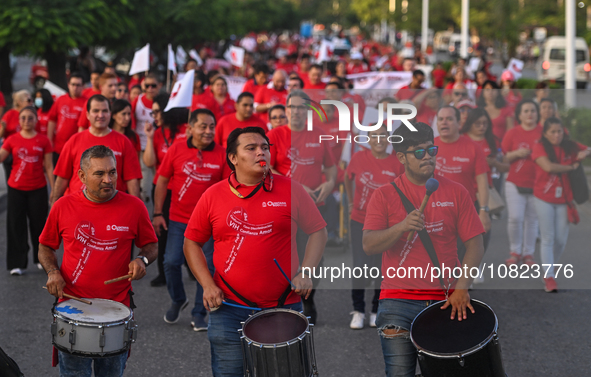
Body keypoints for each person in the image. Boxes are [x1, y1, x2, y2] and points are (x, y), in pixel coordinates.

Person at [184, 126, 327, 376]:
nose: (261, 152)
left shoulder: (292, 189)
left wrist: (306, 271)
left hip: (284, 307)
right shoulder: (213, 195)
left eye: (265, 147)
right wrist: (207, 285)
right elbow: (191, 242)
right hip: (228, 309)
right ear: (233, 158)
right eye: (251, 148)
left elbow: (318, 231)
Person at [362, 122, 485, 377]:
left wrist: (462, 289)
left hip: (446, 299)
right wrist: (400, 227)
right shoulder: (384, 194)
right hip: (398, 302)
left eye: (432, 150)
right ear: (402, 157)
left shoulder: (457, 191)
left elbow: (475, 245)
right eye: (419, 152)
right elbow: (368, 244)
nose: (428, 157)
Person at [39, 145, 158, 377]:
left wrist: (142, 259)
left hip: (117, 311)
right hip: (73, 310)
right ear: (82, 176)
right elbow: (45, 245)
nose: (108, 179)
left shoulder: (134, 206)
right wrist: (52, 272)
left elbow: (151, 244)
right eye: (99, 173)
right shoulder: (63, 206)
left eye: (112, 172)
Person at [154, 108, 231, 330]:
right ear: (190, 129)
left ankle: (199, 313)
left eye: (211, 127)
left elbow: (227, 188)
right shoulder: (176, 149)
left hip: (209, 223)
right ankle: (178, 299)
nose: (208, 131)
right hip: (178, 219)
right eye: (203, 126)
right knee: (170, 261)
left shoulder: (222, 154)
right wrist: (158, 213)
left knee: (206, 267)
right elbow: (161, 181)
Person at [267, 91, 336, 324]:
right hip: (285, 206)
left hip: (316, 204)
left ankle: (308, 296)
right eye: (292, 107)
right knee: (289, 256)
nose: (296, 112)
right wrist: (296, 187)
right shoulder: (275, 135)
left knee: (317, 258)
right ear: (286, 110)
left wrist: (329, 183)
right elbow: (267, 168)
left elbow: (331, 167)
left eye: (301, 108)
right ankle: (289, 301)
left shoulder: (320, 134)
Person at [344, 124, 404, 329]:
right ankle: (358, 310)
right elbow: (347, 178)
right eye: (374, 135)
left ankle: (376, 310)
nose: (379, 139)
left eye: (383, 135)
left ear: (389, 139)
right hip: (359, 220)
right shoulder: (358, 158)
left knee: (382, 267)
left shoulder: (396, 162)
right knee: (360, 266)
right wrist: (351, 202)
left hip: (386, 224)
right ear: (367, 139)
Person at [532, 118, 590, 292]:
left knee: (561, 240)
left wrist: (585, 153)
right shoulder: (539, 147)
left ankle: (550, 266)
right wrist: (572, 166)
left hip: (565, 199)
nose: (557, 135)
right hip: (543, 197)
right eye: (552, 132)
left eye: (559, 131)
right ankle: (549, 276)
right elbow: (548, 167)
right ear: (545, 134)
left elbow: (588, 149)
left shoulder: (570, 145)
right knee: (548, 238)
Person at [51, 95, 142, 205]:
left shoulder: (124, 142)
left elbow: (132, 179)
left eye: (104, 111)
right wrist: (54, 206)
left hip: (112, 206)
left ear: (110, 114)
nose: (100, 115)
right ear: (87, 115)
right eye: (96, 111)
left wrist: (135, 207)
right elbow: (62, 177)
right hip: (77, 206)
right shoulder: (74, 140)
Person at [0, 106, 53, 275]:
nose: (26, 121)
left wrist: (54, 189)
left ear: (36, 120)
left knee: (39, 225)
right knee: (16, 225)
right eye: (23, 118)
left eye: (30, 118)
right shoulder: (12, 139)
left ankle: (41, 259)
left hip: (38, 188)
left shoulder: (44, 140)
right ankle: (17, 263)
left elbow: (49, 166)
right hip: (16, 189)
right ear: (19, 120)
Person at [143, 94, 188, 287]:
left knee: (187, 229)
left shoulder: (186, 130)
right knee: (162, 231)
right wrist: (149, 137)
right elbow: (150, 162)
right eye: (152, 112)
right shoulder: (157, 131)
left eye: (157, 111)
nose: (154, 115)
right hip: (162, 188)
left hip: (184, 188)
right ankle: (164, 272)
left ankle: (193, 267)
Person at [435, 106, 491, 261]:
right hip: (435, 210)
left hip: (464, 209)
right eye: (441, 119)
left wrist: (484, 210)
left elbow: (482, 181)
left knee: (461, 253)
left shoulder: (473, 147)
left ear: (459, 123)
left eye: (449, 119)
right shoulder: (429, 147)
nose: (444, 123)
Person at [461, 108, 510, 250]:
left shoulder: (493, 141)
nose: (482, 127)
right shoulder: (461, 138)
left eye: (485, 123)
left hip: (483, 193)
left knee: (483, 231)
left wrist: (494, 163)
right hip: (463, 191)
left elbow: (506, 167)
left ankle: (476, 266)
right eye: (478, 124)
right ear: (470, 124)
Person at [502, 99, 542, 266]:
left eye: (532, 110)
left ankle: (528, 253)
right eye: (525, 111)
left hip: (538, 182)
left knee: (532, 219)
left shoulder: (543, 132)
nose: (529, 114)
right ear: (519, 115)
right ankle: (515, 251)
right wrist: (517, 153)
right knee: (515, 218)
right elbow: (502, 157)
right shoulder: (512, 132)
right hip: (514, 181)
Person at [132, 73, 162, 202]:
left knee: (159, 183)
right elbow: (131, 124)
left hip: (160, 148)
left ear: (160, 86)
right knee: (145, 185)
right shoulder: (137, 101)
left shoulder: (164, 102)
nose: (150, 88)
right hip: (142, 148)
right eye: (147, 85)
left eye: (153, 85)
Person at [47, 73, 87, 164]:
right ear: (68, 85)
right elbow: (52, 119)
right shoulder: (60, 99)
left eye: (78, 85)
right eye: (73, 84)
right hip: (58, 147)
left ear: (83, 86)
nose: (75, 87)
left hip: (75, 148)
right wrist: (49, 140)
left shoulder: (86, 102)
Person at [1, 90, 33, 182]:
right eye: (29, 100)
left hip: (26, 151)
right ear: (19, 102)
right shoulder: (10, 114)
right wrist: (3, 128)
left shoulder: (32, 114)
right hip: (11, 152)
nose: (31, 102)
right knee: (11, 178)